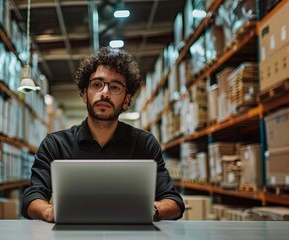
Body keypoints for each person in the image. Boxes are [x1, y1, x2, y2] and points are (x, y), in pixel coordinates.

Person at [21, 46, 185, 222]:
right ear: (85, 94)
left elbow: (174, 202)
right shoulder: (55, 144)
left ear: (126, 100)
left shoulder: (144, 143)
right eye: (97, 85)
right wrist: (49, 212)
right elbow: (32, 197)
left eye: (115, 87)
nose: (105, 93)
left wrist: (149, 210)